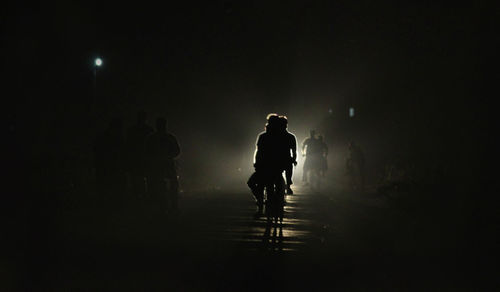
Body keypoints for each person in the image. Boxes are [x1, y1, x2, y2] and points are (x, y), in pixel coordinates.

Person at [247, 114, 290, 211]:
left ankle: (260, 200)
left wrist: (257, 163)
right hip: (273, 167)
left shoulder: (263, 136)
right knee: (277, 184)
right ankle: (273, 200)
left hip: (265, 167)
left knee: (252, 183)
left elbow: (259, 151)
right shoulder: (281, 137)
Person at [145, 117, 181, 214]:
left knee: (164, 184)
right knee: (170, 184)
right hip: (164, 164)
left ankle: (165, 205)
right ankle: (171, 205)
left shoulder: (152, 138)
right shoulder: (168, 137)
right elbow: (177, 151)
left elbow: (147, 151)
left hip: (159, 165)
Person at [93, 118, 126, 198]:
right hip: (110, 166)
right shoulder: (117, 138)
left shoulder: (104, 137)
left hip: (109, 167)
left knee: (108, 188)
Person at [126, 110, 153, 198]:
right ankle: (145, 196)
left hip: (137, 158)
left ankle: (138, 196)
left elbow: (128, 145)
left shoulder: (132, 130)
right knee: (144, 178)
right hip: (143, 158)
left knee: (137, 178)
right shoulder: (148, 130)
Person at [278, 116, 297, 194]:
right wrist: (294, 159)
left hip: (279, 158)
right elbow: (294, 150)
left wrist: (294, 159)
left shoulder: (275, 136)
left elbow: (294, 150)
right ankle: (288, 186)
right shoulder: (291, 136)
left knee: (285, 172)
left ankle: (287, 186)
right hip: (285, 158)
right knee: (288, 172)